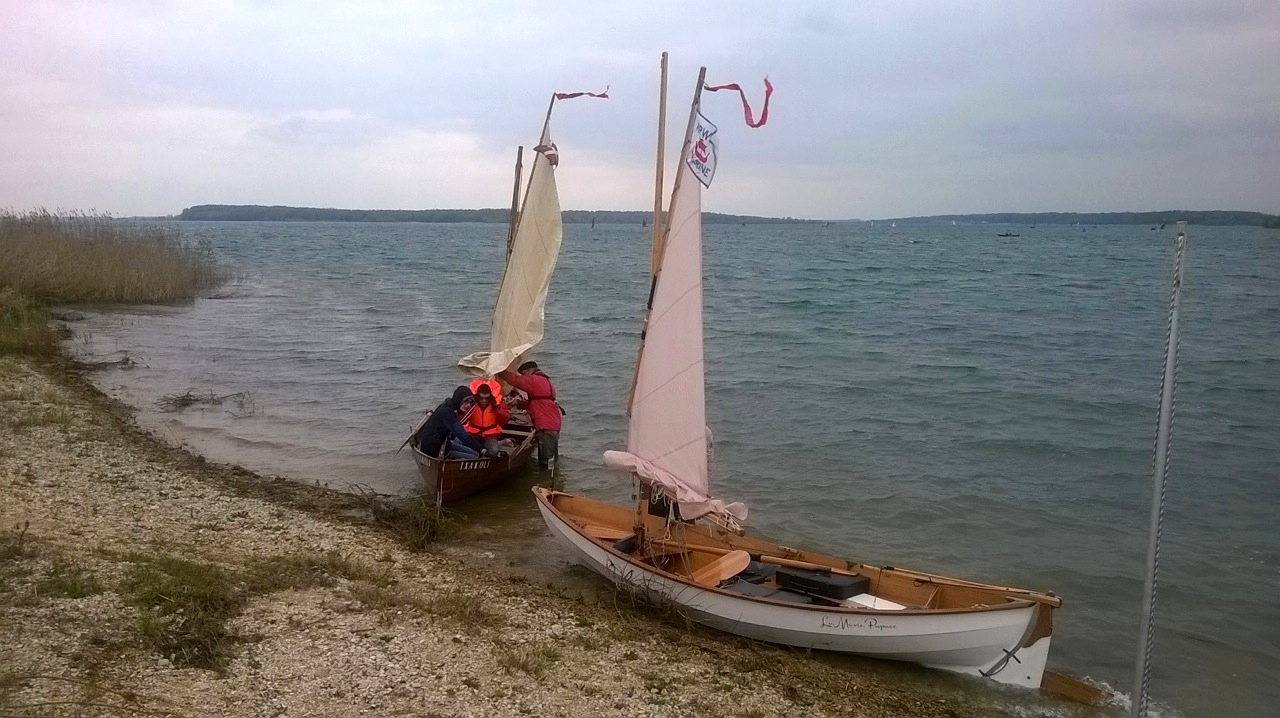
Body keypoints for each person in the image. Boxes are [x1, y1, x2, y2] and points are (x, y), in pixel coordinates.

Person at [498, 360, 562, 469]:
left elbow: (515, 380)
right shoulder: (544, 380)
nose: (523, 377)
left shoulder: (534, 380)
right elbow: (538, 402)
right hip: (552, 423)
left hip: (546, 426)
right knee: (551, 458)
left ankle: (546, 481)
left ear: (529, 370)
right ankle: (552, 480)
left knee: (546, 460)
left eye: (523, 374)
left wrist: (499, 371)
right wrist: (518, 403)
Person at [414, 385, 485, 460]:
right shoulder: (447, 413)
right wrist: (481, 449)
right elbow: (462, 435)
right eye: (466, 401)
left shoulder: (449, 406)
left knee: (475, 453)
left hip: (445, 444)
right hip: (435, 449)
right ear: (459, 399)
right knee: (474, 457)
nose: (469, 405)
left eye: (470, 402)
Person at [462, 382, 509, 457]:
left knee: (494, 451)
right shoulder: (471, 405)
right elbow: (461, 419)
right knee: (461, 444)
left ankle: (498, 443)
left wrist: (497, 409)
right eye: (481, 398)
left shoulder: (496, 405)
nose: (484, 400)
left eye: (487, 398)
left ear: (490, 397)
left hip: (489, 436)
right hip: (473, 435)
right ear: (478, 397)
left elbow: (505, 420)